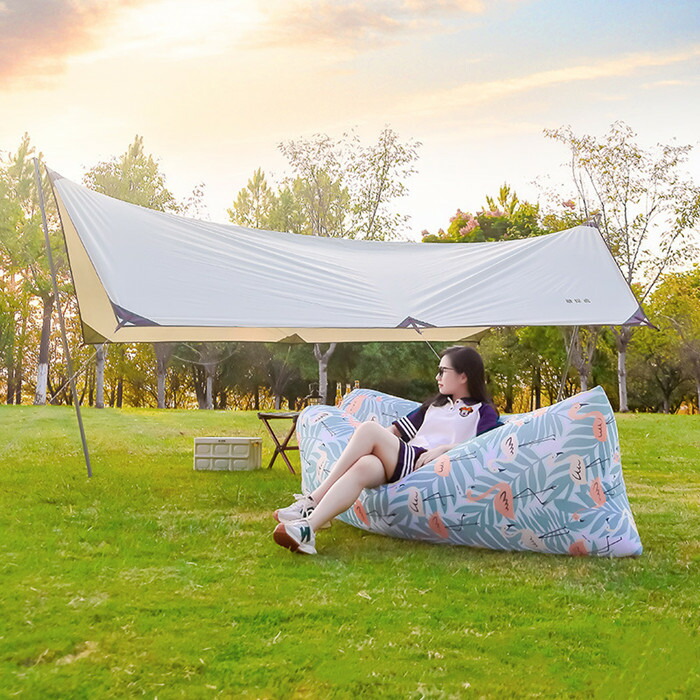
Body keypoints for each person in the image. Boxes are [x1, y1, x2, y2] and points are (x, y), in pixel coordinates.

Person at [272, 345, 500, 554]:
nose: (437, 377)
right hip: (406, 459)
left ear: (463, 376)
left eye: (443, 371)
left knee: (369, 429)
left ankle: (312, 500)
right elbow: (395, 431)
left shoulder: (483, 411)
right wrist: (376, 447)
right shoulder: (434, 406)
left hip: (427, 465)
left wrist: (444, 449)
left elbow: (486, 444)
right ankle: (309, 528)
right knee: (364, 465)